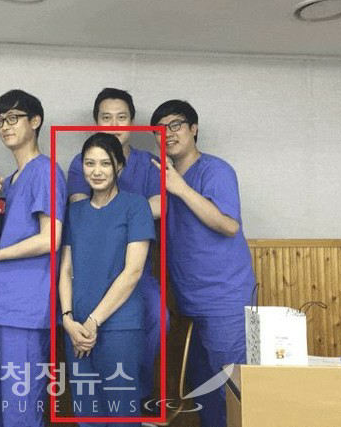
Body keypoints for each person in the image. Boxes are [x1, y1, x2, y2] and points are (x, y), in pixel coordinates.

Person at [151, 100, 256, 427]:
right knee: (202, 386)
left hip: (225, 298)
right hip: (188, 303)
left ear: (193, 129)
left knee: (231, 387)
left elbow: (229, 225)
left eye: (176, 125)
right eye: (160, 129)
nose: (168, 133)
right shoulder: (162, 177)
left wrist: (180, 189)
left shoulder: (215, 170)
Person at [0, 89, 67, 427]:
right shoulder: (9, 182)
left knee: (19, 409)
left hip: (25, 310)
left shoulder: (45, 171)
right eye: (0, 120)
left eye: (13, 118)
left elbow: (51, 238)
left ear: (35, 121)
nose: (5, 126)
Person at [66, 88, 165, 406]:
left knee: (158, 319)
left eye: (121, 117)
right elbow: (81, 210)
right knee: (87, 395)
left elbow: (159, 205)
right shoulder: (79, 164)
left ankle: (139, 386)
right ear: (96, 122)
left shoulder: (147, 164)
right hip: (89, 273)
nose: (114, 124)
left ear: (132, 122)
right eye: (106, 117)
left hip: (133, 270)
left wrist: (126, 212)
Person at [60, 133, 155, 426]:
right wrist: (68, 319)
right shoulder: (74, 212)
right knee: (86, 414)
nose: (97, 171)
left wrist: (93, 321)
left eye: (105, 163)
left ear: (119, 167)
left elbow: (133, 272)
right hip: (77, 328)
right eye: (90, 163)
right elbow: (66, 269)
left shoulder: (136, 206)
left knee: (121, 413)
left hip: (119, 326)